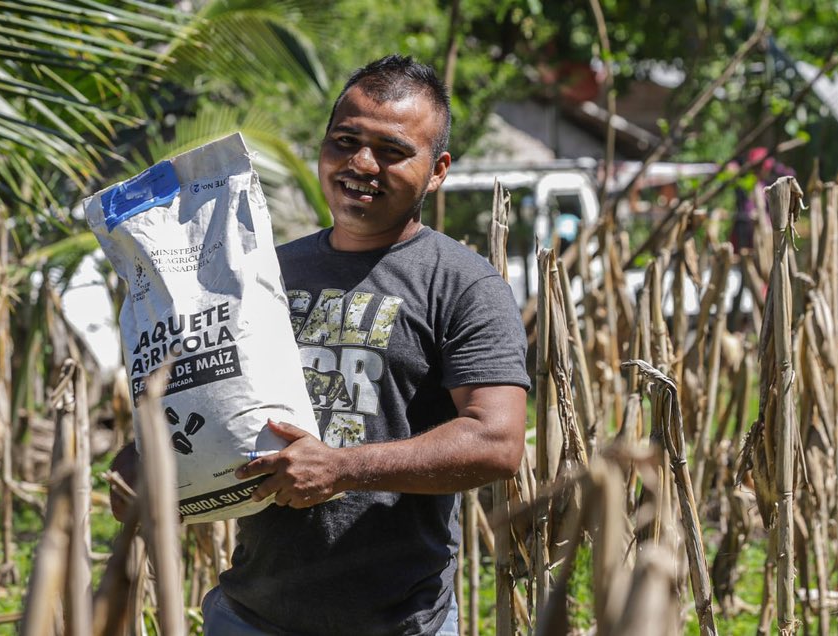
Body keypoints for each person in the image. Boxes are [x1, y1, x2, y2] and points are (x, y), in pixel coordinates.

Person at [112, 55, 530, 635]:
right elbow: (205, 406)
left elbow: (496, 441)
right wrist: (146, 466)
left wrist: (342, 469)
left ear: (437, 171)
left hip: (400, 624)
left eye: (392, 150)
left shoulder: (462, 284)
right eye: (346, 140)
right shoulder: (260, 274)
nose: (362, 163)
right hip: (248, 616)